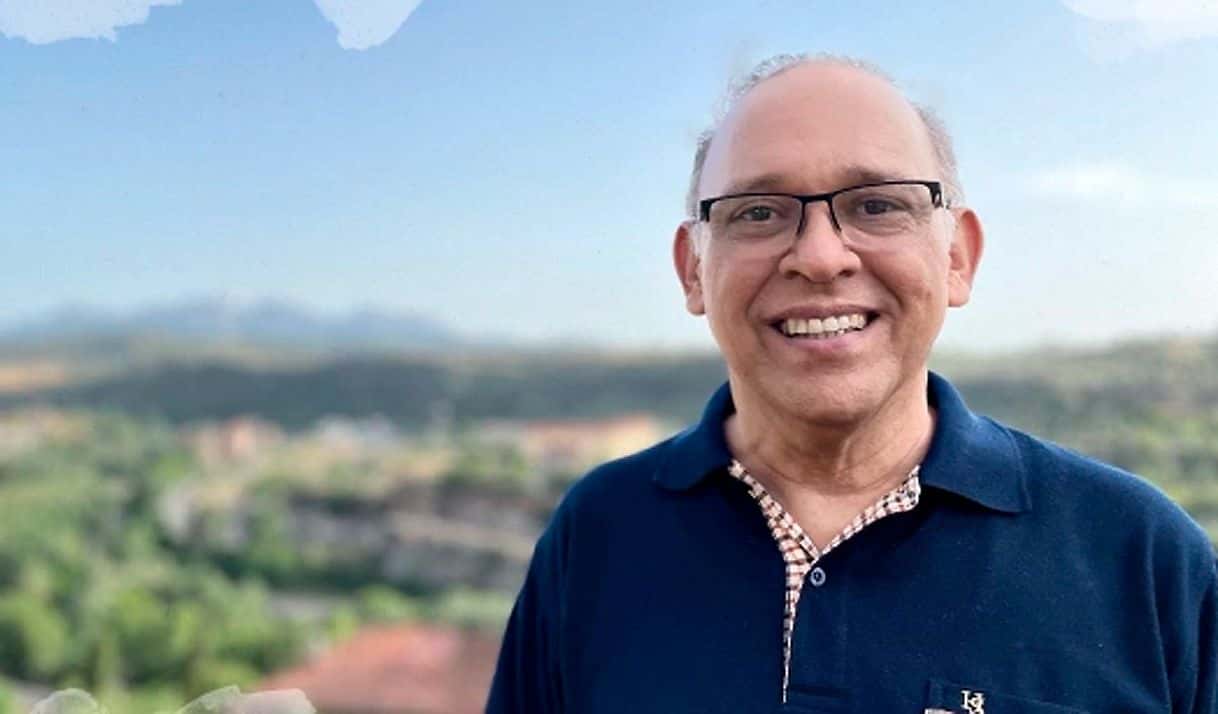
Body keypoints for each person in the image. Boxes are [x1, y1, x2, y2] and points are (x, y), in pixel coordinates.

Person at [485, 54, 1217, 713]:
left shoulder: (1142, 559)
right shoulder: (600, 535)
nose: (820, 256)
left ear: (958, 256)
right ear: (692, 270)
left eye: (877, 205)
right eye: (758, 212)